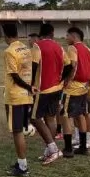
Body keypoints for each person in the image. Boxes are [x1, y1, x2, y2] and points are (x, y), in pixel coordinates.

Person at [2, 23, 37, 177]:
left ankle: (23, 167)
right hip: (26, 96)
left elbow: (15, 75)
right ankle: (21, 162)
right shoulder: (25, 48)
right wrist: (30, 87)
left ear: (6, 35)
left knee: (17, 132)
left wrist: (29, 87)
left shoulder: (9, 51)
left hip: (16, 96)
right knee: (21, 130)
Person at [64, 27, 90, 155]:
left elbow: (73, 65)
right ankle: (83, 145)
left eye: (67, 36)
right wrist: (88, 76)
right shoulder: (86, 48)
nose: (66, 38)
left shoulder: (72, 48)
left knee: (65, 116)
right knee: (80, 114)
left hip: (73, 88)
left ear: (74, 36)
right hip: (84, 87)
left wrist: (66, 80)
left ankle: (68, 148)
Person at [29, 24, 64, 166]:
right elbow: (69, 65)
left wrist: (30, 84)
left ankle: (53, 149)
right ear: (52, 33)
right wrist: (62, 80)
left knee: (34, 118)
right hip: (57, 88)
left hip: (43, 89)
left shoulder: (38, 46)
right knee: (50, 118)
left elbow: (34, 65)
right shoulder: (59, 47)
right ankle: (50, 150)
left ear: (40, 34)